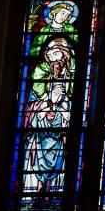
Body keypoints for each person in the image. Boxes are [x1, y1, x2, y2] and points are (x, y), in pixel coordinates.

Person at [23, 37, 75, 193]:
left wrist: (62, 103)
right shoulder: (41, 71)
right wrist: (47, 102)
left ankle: (52, 191)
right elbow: (37, 93)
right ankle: (34, 191)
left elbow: (71, 94)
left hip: (60, 125)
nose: (55, 58)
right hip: (42, 124)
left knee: (60, 157)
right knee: (35, 156)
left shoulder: (70, 73)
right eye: (52, 54)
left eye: (58, 54)